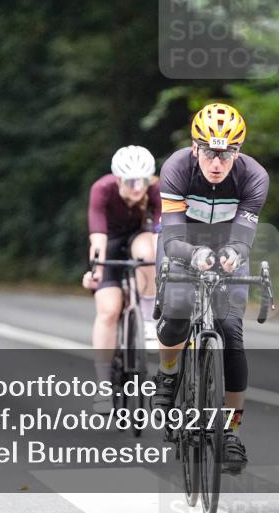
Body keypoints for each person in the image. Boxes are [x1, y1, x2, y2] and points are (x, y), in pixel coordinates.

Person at [152, 103, 269, 474]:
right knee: (176, 312)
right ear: (194, 148)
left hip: (227, 248)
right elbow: (172, 239)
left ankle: (231, 431)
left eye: (226, 154)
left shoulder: (254, 176)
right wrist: (194, 254)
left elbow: (243, 239)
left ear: (239, 151)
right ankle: (168, 373)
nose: (217, 163)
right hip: (182, 244)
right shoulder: (176, 168)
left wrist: (233, 254)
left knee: (231, 333)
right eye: (208, 152)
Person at [82, 145, 161, 412]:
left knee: (149, 253)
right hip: (111, 244)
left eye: (143, 180)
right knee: (108, 310)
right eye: (130, 181)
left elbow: (161, 235)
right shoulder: (102, 189)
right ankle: (103, 384)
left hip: (142, 239)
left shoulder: (156, 190)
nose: (137, 187)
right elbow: (98, 238)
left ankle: (147, 319)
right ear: (118, 179)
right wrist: (96, 271)